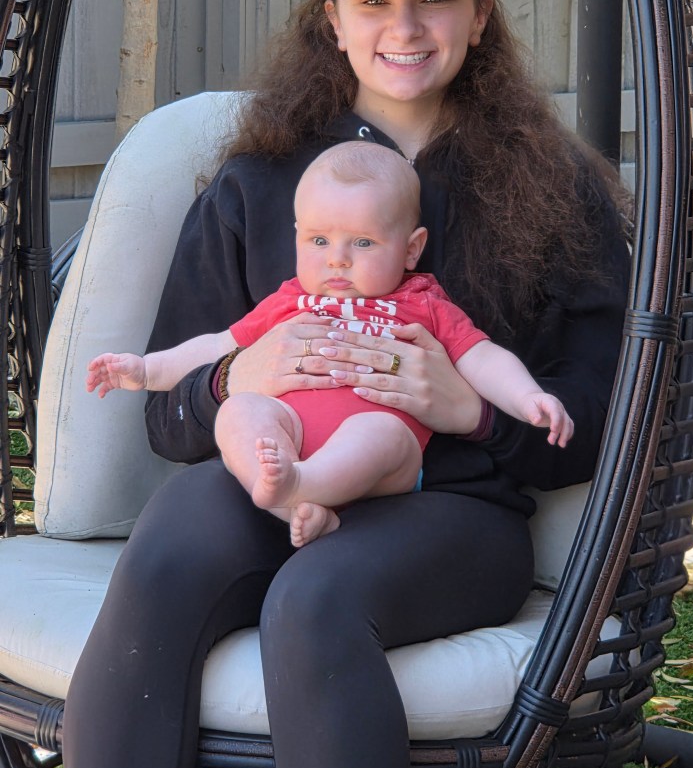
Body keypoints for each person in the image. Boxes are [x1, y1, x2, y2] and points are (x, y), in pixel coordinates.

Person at [63, 0, 631, 768]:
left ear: (479, 16)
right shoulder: (258, 184)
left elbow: (593, 422)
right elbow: (169, 424)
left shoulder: (554, 191)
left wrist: (471, 411)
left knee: (316, 599)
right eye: (374, 1)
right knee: (170, 549)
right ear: (332, 20)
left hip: (456, 516)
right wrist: (233, 376)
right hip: (270, 477)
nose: (404, 26)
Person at [86, 142, 574, 547]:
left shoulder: (422, 302)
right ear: (297, 236)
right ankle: (302, 507)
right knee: (239, 413)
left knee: (377, 430)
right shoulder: (292, 300)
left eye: (362, 243)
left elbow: (481, 357)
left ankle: (300, 489)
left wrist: (527, 397)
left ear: (411, 248)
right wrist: (147, 370)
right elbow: (220, 344)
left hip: (387, 462)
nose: (337, 261)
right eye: (319, 242)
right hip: (294, 435)